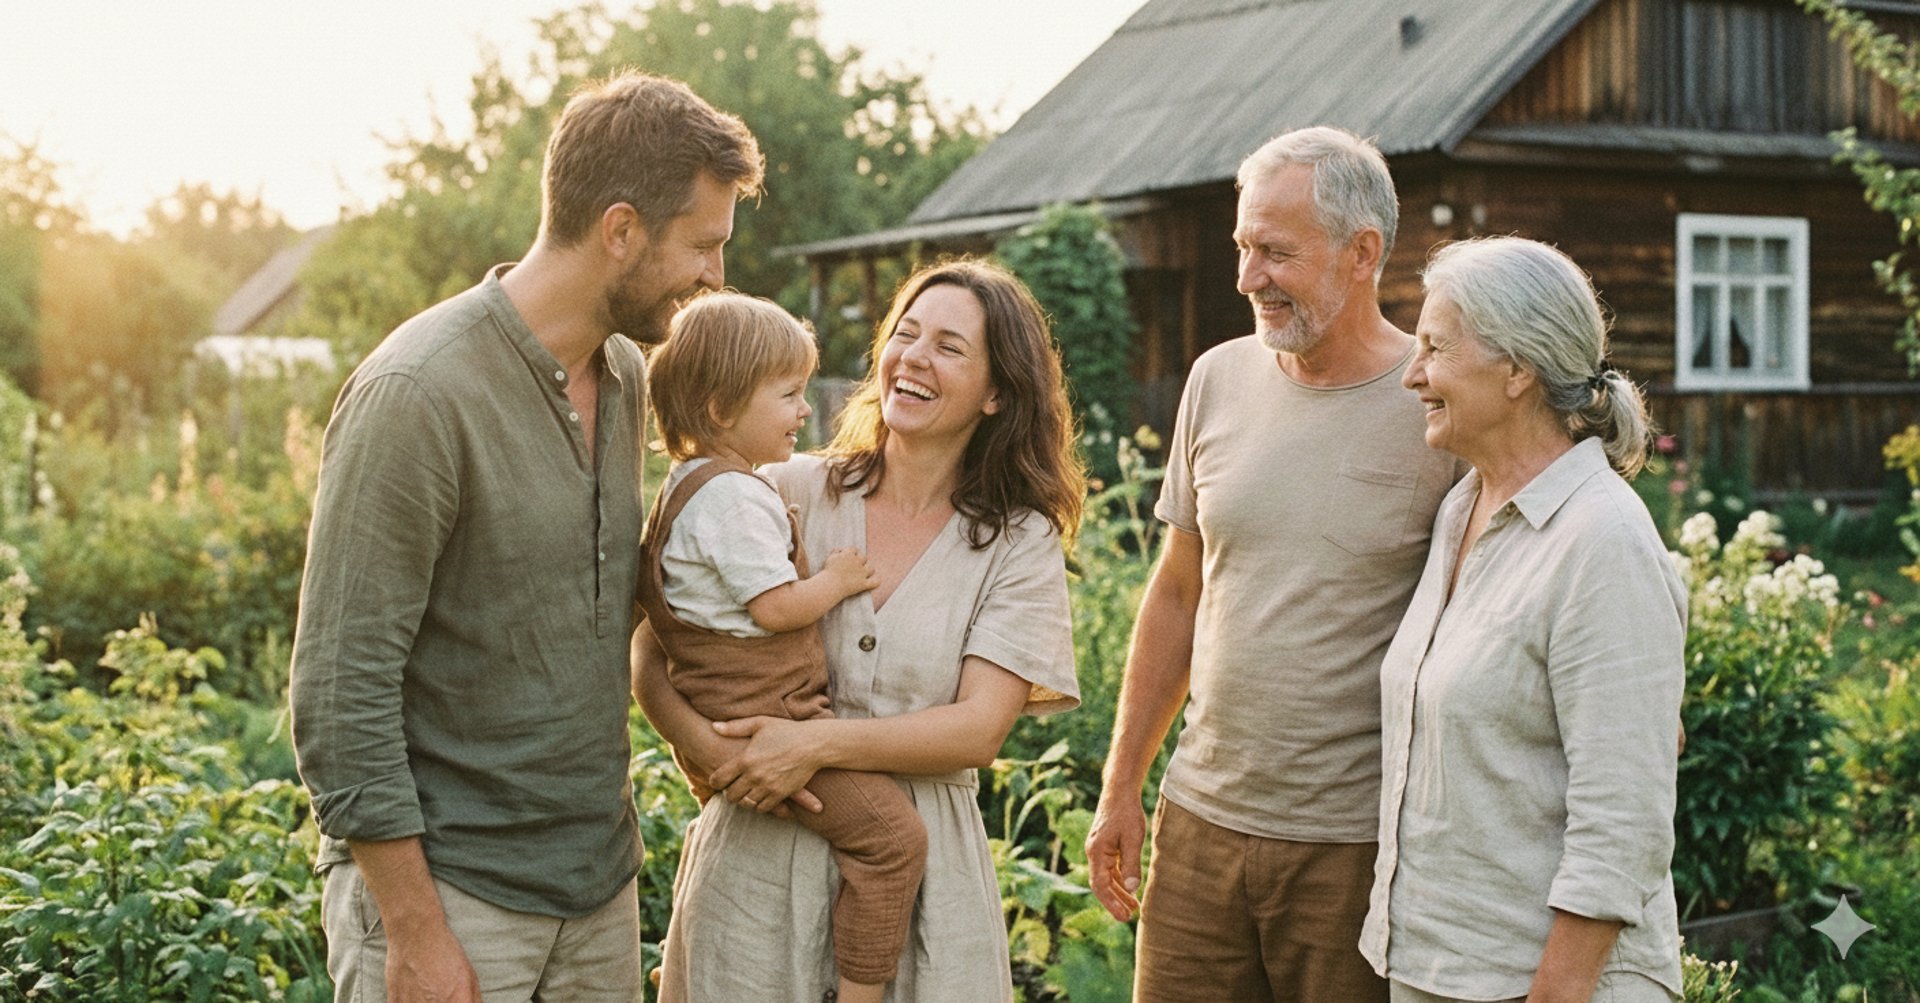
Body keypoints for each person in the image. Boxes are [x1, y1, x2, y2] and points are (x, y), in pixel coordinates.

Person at [288, 71, 762, 1003]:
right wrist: (417, 935)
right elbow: (339, 691)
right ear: (620, 229)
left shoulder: (627, 376)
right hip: (453, 899)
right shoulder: (419, 394)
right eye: (703, 246)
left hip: (596, 893)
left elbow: (604, 610)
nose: (717, 276)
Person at [633, 258, 1085, 1002]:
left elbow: (978, 729)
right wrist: (710, 748)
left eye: (949, 346)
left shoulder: (1016, 540)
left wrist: (810, 743)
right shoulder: (778, 489)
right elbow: (654, 648)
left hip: (924, 884)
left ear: (998, 391)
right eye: (905, 334)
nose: (913, 357)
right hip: (755, 865)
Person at [1084, 126, 1463, 1002]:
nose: (1247, 276)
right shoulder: (1215, 379)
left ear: (1362, 252)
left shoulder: (1437, 402)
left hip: (1355, 848)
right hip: (1201, 824)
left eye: (1276, 252)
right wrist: (1122, 785)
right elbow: (1177, 594)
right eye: (1244, 247)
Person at [1360, 236, 1685, 1002]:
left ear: (1518, 369)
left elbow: (1623, 819)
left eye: (1435, 348)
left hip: (1546, 984)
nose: (1412, 373)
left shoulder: (1602, 540)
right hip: (1442, 968)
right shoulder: (1462, 510)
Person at [635, 291, 925, 1003]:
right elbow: (773, 607)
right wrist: (834, 579)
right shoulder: (734, 499)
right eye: (789, 394)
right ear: (719, 407)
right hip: (773, 716)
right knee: (894, 843)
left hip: (725, 707)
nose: (805, 411)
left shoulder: (688, 488)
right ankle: (860, 991)